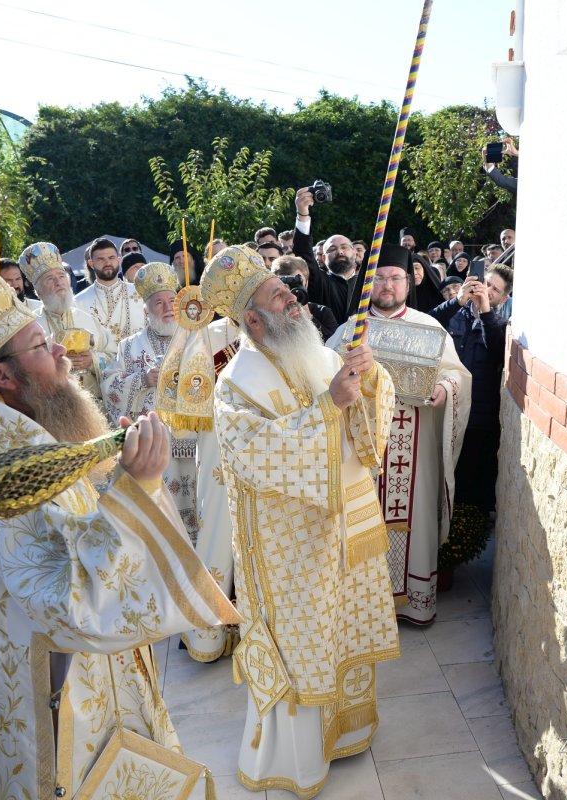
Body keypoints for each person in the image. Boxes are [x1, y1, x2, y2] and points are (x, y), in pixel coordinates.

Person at [0, 261, 239, 799]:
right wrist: (139, 489)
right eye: (42, 345)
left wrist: (118, 479)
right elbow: (70, 605)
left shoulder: (13, 438)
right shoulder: (4, 475)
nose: (62, 351)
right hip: (58, 687)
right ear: (1, 376)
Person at [202, 246, 399, 796]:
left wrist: (368, 375)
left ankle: (346, 732)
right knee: (303, 641)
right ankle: (297, 759)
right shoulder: (235, 384)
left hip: (341, 528)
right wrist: (327, 408)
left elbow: (361, 410)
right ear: (253, 320)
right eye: (278, 294)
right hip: (289, 548)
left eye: (288, 288)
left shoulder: (310, 352)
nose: (292, 295)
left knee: (343, 629)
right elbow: (257, 454)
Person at [330, 244, 471, 626]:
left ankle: (414, 601)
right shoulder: (350, 330)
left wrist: (446, 390)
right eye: (379, 278)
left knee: (415, 516)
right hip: (363, 454)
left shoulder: (429, 327)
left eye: (395, 278)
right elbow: (322, 383)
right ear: (368, 283)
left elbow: (457, 375)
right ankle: (363, 606)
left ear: (408, 282)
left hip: (417, 446)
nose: (387, 285)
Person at [100, 262, 201, 540]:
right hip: (155, 444)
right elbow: (110, 388)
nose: (168, 307)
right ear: (146, 310)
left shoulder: (199, 339)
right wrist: (142, 380)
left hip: (196, 443)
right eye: (159, 303)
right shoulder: (129, 346)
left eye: (172, 300)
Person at [430, 266, 513, 517]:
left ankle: (465, 535)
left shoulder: (499, 324)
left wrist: (485, 309)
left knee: (469, 482)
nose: (486, 290)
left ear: (504, 298)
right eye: (485, 283)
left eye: (494, 289)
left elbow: (497, 349)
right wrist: (458, 300)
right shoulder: (455, 313)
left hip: (478, 418)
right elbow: (429, 323)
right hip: (446, 409)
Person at [19, 242, 116, 404]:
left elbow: (115, 357)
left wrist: (93, 360)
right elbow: (24, 372)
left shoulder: (88, 319)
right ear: (38, 289)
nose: (59, 282)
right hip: (51, 404)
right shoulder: (30, 327)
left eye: (62, 276)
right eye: (50, 278)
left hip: (93, 404)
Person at [291, 189, 361, 325]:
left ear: (355, 253)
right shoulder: (319, 281)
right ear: (323, 258)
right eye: (332, 249)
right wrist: (303, 213)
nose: (339, 252)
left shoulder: (367, 283)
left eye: (344, 247)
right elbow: (303, 251)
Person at [75, 237, 146, 343]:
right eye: (101, 259)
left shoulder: (141, 293)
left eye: (111, 257)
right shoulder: (78, 303)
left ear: (119, 260)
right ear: (91, 263)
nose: (107, 263)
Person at [272, 254, 338, 341]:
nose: (290, 289)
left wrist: (309, 317)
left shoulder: (322, 313)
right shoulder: (269, 313)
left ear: (306, 283)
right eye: (284, 283)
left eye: (296, 281)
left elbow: (333, 344)